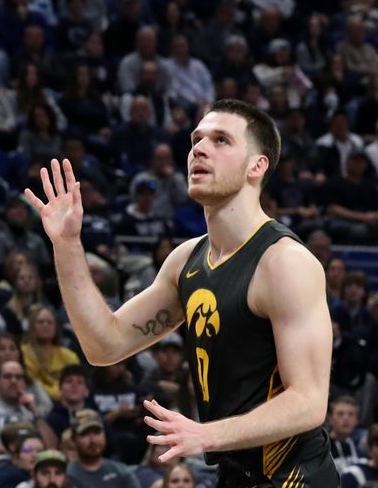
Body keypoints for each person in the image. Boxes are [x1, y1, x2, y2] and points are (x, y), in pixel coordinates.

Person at [26, 99, 337, 486]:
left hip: (295, 474)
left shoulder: (285, 263)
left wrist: (206, 435)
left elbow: (308, 402)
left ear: (258, 166)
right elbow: (103, 346)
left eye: (221, 140)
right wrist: (67, 244)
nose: (199, 149)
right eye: (196, 139)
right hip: (234, 473)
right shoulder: (186, 260)